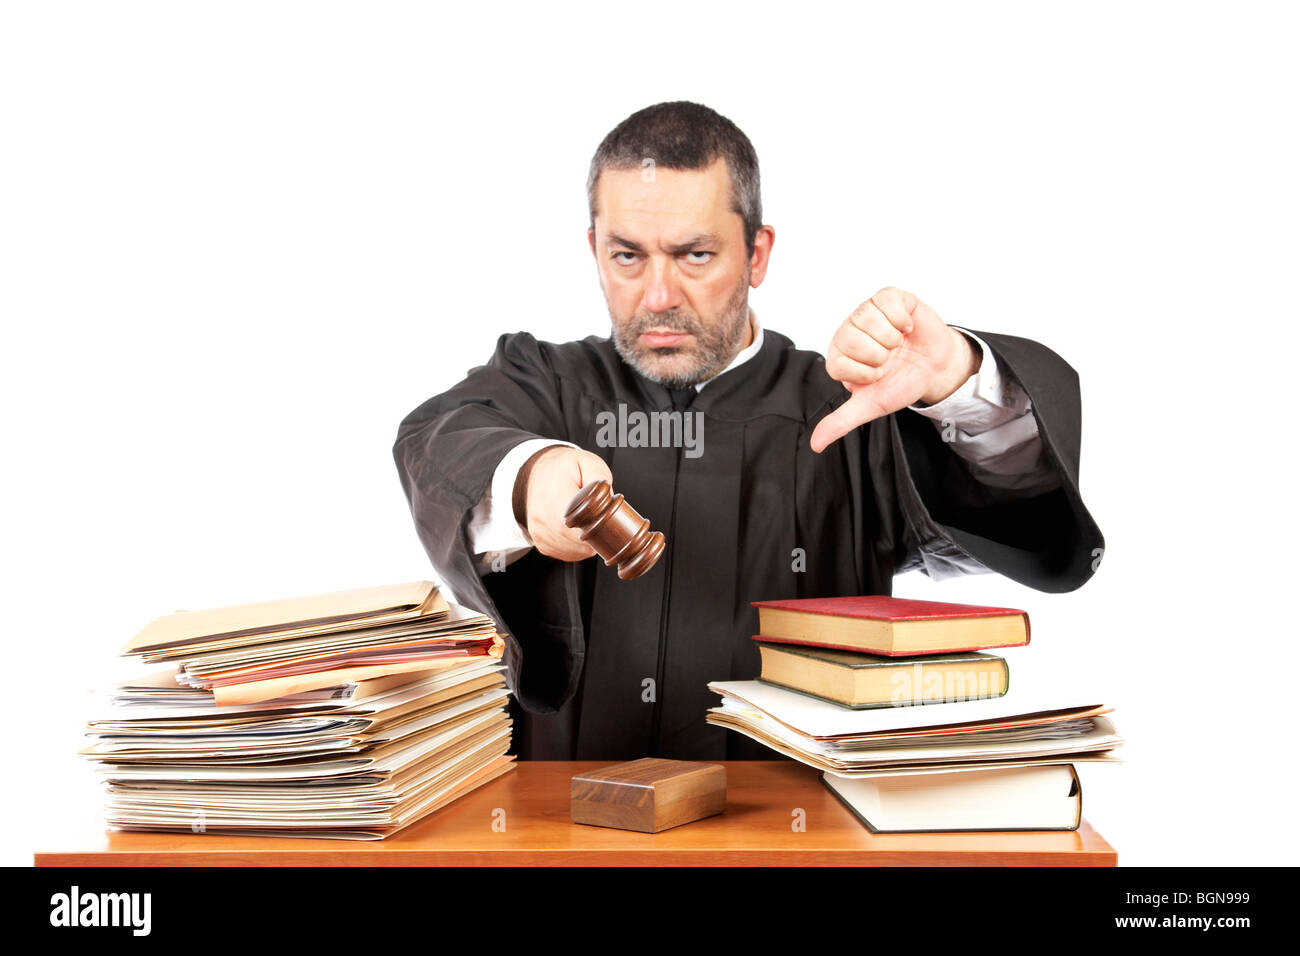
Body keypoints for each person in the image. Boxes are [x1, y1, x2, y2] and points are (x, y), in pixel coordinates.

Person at [393, 101, 1104, 761]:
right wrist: (528, 478)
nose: (659, 296)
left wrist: (958, 384)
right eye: (627, 255)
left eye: (695, 255)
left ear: (758, 254)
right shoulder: (542, 383)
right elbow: (438, 437)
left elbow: (1008, 514)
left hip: (800, 839)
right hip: (564, 833)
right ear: (594, 249)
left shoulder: (845, 408)